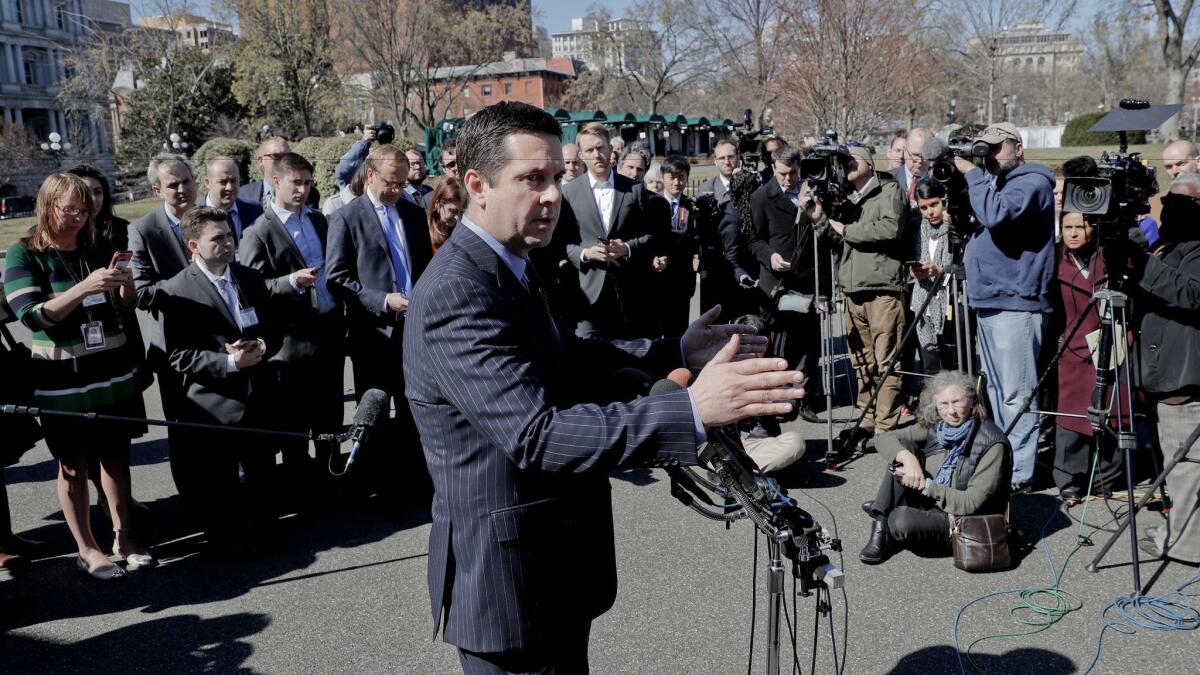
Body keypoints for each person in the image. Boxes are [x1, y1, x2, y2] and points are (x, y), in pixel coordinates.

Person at [402, 100, 806, 673]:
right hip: (509, 586)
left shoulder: (511, 262)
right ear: (477, 185)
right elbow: (537, 435)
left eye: (554, 177)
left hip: (554, 569)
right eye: (531, 179)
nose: (550, 196)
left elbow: (572, 355)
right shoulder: (457, 290)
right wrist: (691, 411)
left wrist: (674, 350)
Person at [4, 173, 153, 579]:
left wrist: (124, 285)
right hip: (60, 377)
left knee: (117, 457)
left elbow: (125, 307)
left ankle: (124, 537)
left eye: (84, 210)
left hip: (111, 370)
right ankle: (86, 548)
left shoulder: (97, 245)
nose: (77, 218)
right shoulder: (23, 254)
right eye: (69, 209)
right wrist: (83, 288)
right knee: (73, 465)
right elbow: (32, 315)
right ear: (47, 205)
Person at [160, 207, 280, 554]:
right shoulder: (177, 290)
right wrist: (229, 362)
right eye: (218, 238)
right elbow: (177, 355)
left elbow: (272, 327)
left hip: (257, 395)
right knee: (219, 479)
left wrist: (261, 345)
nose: (228, 243)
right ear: (193, 246)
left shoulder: (249, 278)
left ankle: (266, 528)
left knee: (261, 470)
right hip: (212, 403)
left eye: (229, 235)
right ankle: (225, 537)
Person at [952, 122, 1056, 492]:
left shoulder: (1033, 182)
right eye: (984, 149)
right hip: (992, 300)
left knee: (1016, 393)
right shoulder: (997, 182)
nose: (990, 155)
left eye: (997, 148)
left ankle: (1021, 474)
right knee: (996, 391)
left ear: (1019, 147)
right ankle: (1006, 462)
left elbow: (996, 215)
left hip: (1017, 303)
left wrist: (974, 175)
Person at [327, 143, 433, 484]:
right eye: (391, 182)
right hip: (374, 334)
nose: (397, 189)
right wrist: (383, 301)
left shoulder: (414, 213)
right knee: (373, 412)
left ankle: (414, 479)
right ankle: (378, 483)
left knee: (414, 409)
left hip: (414, 332)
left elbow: (426, 267)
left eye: (402, 183)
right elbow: (337, 279)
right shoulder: (346, 217)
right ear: (370, 174)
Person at [239, 152, 345, 486]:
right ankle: (301, 488)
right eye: (295, 182)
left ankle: (331, 480)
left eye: (308, 182)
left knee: (330, 415)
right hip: (290, 343)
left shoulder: (317, 220)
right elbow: (251, 287)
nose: (302, 189)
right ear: (276, 181)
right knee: (295, 424)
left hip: (328, 330)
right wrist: (289, 282)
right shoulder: (259, 231)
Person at [810, 146, 908, 450]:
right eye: (844, 162)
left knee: (886, 361)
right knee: (861, 362)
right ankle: (867, 418)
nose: (847, 165)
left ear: (869, 162)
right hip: (853, 291)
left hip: (883, 291)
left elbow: (891, 229)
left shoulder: (890, 190)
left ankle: (884, 425)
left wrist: (847, 228)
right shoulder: (846, 199)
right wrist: (819, 219)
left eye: (852, 160)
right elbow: (838, 243)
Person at [860, 371, 1012, 564]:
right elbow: (884, 438)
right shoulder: (940, 426)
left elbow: (970, 503)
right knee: (904, 448)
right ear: (935, 405)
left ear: (972, 401)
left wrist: (926, 487)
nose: (951, 411)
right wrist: (907, 458)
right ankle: (881, 525)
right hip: (936, 498)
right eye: (944, 404)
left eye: (957, 402)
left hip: (962, 519)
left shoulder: (992, 444)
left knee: (900, 520)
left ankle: (887, 509)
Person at [1132, 172, 1200, 564]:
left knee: (1186, 466)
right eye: (1166, 201)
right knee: (1177, 465)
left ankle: (1187, 546)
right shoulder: (1171, 246)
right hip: (1165, 372)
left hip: (1185, 379)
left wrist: (1141, 261)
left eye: (1179, 202)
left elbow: (1191, 293)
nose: (1168, 210)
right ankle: (1180, 530)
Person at [557, 122, 669, 339]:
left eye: (600, 148)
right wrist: (585, 253)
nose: (597, 155)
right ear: (581, 155)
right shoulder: (569, 193)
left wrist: (626, 248)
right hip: (586, 292)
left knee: (631, 358)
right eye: (590, 150)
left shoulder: (634, 189)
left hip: (629, 290)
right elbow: (560, 242)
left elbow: (652, 235)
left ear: (610, 149)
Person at [1050, 211, 1127, 500]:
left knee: (1113, 411)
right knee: (1070, 416)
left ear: (1094, 227)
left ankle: (1106, 477)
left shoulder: (1110, 258)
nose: (1072, 233)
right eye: (1067, 227)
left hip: (1112, 343)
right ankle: (1069, 478)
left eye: (1079, 227)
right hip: (1072, 346)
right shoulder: (1057, 261)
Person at [748, 145, 823, 424]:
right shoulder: (761, 197)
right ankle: (779, 398)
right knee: (780, 342)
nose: (788, 179)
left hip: (806, 277)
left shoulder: (810, 192)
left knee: (807, 342)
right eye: (783, 173)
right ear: (772, 167)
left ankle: (803, 397)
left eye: (793, 173)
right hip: (776, 283)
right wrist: (771, 257)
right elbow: (754, 241)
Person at [908, 181, 960, 375]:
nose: (930, 212)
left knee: (951, 364)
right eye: (924, 207)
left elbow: (962, 265)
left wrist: (940, 270)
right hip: (923, 301)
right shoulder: (918, 228)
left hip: (948, 300)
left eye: (934, 204)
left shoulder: (954, 227)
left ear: (944, 201)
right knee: (929, 365)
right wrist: (914, 272)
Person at [655, 155, 699, 336]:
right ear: (663, 177)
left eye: (681, 177)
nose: (676, 182)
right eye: (671, 177)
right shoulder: (652, 202)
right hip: (657, 276)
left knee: (680, 328)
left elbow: (695, 237)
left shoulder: (691, 206)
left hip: (682, 277)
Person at [201, 156, 264, 251]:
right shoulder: (195, 214)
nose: (229, 187)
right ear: (207, 182)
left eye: (234, 181)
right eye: (223, 182)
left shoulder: (255, 210)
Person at [240, 137, 320, 208]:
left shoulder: (309, 194)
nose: (282, 160)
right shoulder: (243, 194)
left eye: (287, 155)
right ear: (261, 160)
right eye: (276, 155)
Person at [67, 164, 131, 251]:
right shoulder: (65, 233)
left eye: (97, 192)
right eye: (85, 192)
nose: (93, 199)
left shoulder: (123, 228)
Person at [427, 177, 466, 252]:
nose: (457, 217)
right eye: (453, 211)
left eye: (461, 212)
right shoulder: (422, 232)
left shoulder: (460, 231)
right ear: (437, 204)